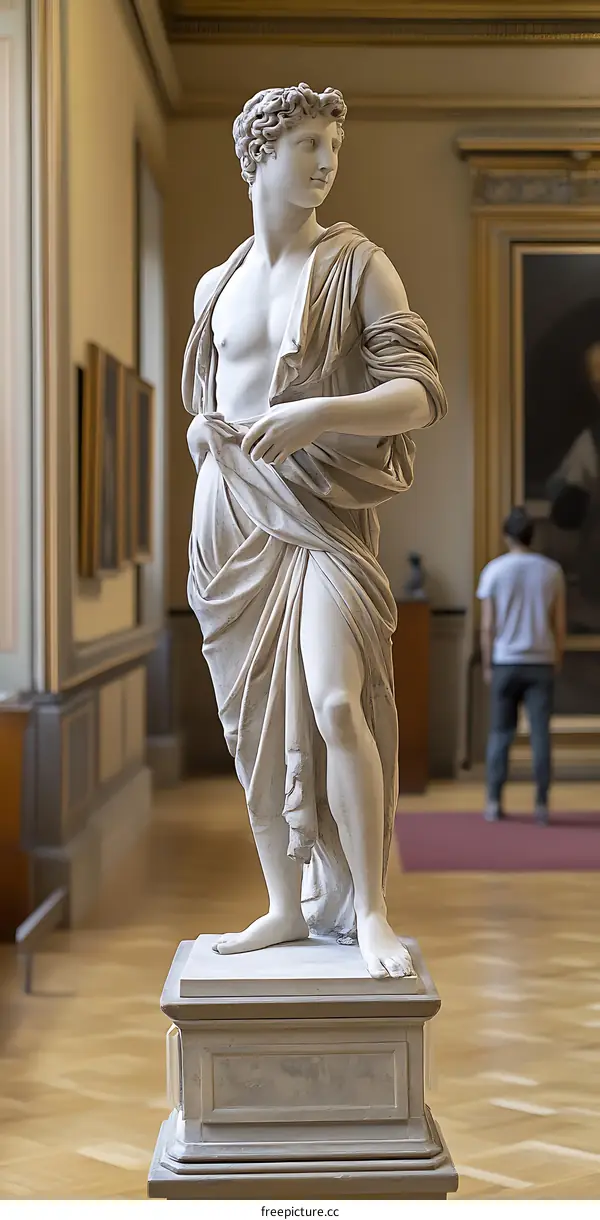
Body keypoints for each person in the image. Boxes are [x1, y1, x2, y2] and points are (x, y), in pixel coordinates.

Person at [182, 83, 447, 979]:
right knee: (253, 723)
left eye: (334, 142)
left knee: (338, 702)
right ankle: (285, 906)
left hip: (325, 518)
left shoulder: (357, 266)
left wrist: (319, 415)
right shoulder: (213, 287)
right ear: (260, 153)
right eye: (308, 143)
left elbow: (419, 392)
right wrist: (206, 442)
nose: (328, 159)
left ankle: (369, 909)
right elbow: (202, 408)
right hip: (231, 517)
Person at [477, 506, 566, 825]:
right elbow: (559, 624)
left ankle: (493, 801)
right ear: (532, 535)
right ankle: (541, 804)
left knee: (501, 733)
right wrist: (557, 657)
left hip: (506, 662)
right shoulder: (551, 571)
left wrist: (488, 664)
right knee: (541, 734)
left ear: (506, 536)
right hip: (540, 661)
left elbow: (487, 626)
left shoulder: (494, 571)